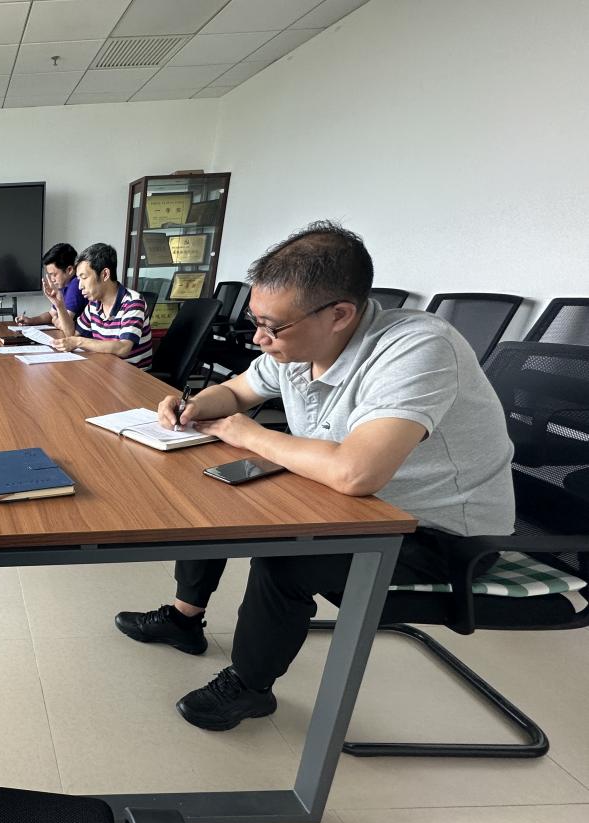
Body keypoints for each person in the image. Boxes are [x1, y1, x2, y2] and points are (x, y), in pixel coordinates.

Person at [113, 221, 515, 731]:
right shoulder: (298, 346)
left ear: (339, 314)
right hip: (354, 503)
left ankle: (250, 686)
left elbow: (356, 472)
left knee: (288, 556)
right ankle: (183, 619)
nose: (259, 339)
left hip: (439, 535)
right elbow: (237, 391)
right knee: (216, 486)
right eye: (256, 321)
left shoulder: (418, 349)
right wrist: (193, 405)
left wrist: (251, 435)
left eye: (272, 327)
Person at [17, 242, 88, 327]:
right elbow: (51, 314)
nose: (52, 279)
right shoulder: (64, 285)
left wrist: (55, 321)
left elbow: (64, 324)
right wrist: (31, 320)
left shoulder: (76, 285)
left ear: (69, 270)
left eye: (54, 274)